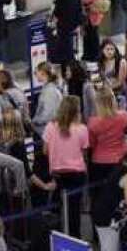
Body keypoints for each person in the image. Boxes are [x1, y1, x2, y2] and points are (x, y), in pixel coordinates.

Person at [43, 96, 89, 238]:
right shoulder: (82, 129)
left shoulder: (50, 126)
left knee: (56, 208)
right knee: (74, 210)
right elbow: (84, 151)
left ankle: (55, 238)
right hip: (76, 174)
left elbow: (45, 150)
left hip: (57, 173)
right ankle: (75, 239)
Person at [88, 86, 127, 194]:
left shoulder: (93, 123)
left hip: (100, 163)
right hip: (121, 160)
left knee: (100, 194)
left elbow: (91, 144)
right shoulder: (124, 116)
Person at [52, 0, 83, 65]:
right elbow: (79, 9)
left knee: (64, 46)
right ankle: (68, 61)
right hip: (74, 24)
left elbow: (57, 12)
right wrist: (78, 24)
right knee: (67, 44)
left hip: (63, 26)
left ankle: (69, 63)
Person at [32, 62, 63, 139]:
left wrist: (35, 121)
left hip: (47, 132)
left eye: (36, 72)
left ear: (43, 73)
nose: (35, 74)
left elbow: (48, 114)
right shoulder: (49, 88)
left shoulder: (49, 91)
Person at [98, 39, 127, 104]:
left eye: (112, 49)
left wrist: (106, 89)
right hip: (104, 91)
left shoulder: (121, 62)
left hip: (118, 92)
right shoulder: (100, 62)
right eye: (107, 49)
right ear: (102, 50)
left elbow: (120, 82)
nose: (110, 52)